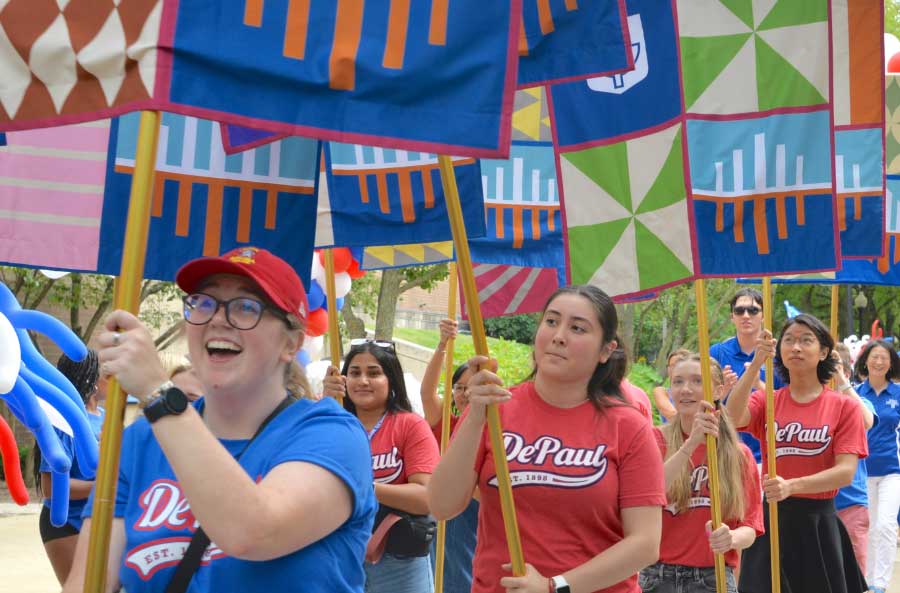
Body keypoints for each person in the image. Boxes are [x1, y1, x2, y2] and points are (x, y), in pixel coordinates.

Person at [62, 246, 377, 593]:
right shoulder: (140, 442)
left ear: (292, 343)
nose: (217, 318)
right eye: (204, 303)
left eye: (246, 307)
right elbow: (87, 583)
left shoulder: (331, 435)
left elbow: (254, 531)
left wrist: (158, 392)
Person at [428, 285, 665, 593]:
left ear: (606, 350)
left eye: (578, 328)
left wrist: (555, 587)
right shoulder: (493, 410)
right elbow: (442, 505)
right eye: (551, 321)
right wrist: (475, 416)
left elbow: (645, 544)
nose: (559, 336)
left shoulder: (629, 426)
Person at [725, 314, 868, 593]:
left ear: (824, 351)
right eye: (788, 340)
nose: (796, 347)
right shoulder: (768, 401)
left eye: (806, 340)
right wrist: (755, 365)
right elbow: (730, 418)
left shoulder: (844, 407)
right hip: (771, 521)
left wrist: (791, 486)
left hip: (818, 524)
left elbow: (845, 472)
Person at [323, 339, 441, 593]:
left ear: (392, 380)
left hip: (399, 563)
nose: (362, 380)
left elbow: (428, 497)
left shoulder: (411, 425)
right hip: (338, 557)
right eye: (354, 373)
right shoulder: (329, 423)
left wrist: (364, 488)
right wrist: (325, 405)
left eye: (374, 373)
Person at [641, 354, 763, 593]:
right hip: (658, 575)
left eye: (697, 381)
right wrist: (689, 446)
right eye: (677, 382)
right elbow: (648, 493)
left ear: (718, 391)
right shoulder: (655, 440)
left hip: (713, 576)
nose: (685, 389)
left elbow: (750, 527)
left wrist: (731, 539)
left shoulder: (738, 454)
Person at [419, 318, 478, 593]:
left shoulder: (496, 433)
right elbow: (427, 392)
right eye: (459, 387)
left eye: (471, 386)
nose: (465, 393)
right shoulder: (445, 427)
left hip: (475, 516)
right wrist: (442, 345)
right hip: (441, 514)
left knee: (466, 575)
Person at [35, 350, 100, 585]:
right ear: (91, 379)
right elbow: (51, 487)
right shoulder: (63, 420)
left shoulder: (104, 417)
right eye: (106, 372)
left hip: (98, 520)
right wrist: (104, 487)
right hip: (66, 525)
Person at [711, 288, 784, 466]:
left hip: (771, 455)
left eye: (752, 310)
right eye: (739, 310)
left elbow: (789, 404)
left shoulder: (779, 355)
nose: (745, 315)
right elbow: (704, 403)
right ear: (732, 317)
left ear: (763, 316)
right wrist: (724, 390)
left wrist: (758, 384)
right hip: (726, 452)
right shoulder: (717, 353)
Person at [853, 340, 900, 593]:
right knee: (868, 527)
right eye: (874, 357)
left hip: (893, 471)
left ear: (891, 363)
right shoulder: (855, 393)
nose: (879, 362)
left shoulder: (899, 394)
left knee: (886, 525)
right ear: (865, 360)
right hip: (861, 471)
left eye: (884, 358)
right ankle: (867, 580)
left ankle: (880, 583)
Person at [832, 342, 876, 574]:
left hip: (851, 503)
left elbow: (866, 421)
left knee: (854, 575)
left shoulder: (859, 401)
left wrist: (841, 381)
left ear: (847, 373)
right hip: (815, 504)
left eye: (834, 366)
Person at [651, 349, 691, 423]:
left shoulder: (696, 392)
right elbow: (671, 414)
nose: (673, 369)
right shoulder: (662, 392)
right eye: (670, 365)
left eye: (677, 364)